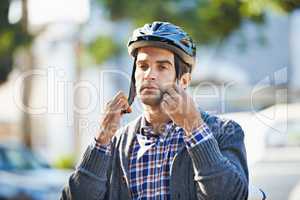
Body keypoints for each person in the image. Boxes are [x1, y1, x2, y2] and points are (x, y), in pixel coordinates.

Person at [61, 21, 249, 200]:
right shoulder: (115, 143)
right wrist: (101, 140)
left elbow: (231, 196)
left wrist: (195, 128)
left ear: (183, 81)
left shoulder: (224, 132)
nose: (149, 75)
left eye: (162, 67)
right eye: (142, 66)